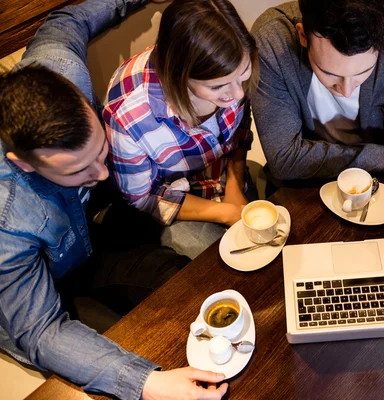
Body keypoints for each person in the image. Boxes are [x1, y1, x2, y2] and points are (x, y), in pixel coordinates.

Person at [0, 1, 228, 399]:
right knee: (127, 360)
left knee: (184, 286)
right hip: (35, 295)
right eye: (78, 171)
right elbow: (42, 331)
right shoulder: (6, 221)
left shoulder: (60, 68)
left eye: (100, 150)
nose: (102, 174)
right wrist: (147, 382)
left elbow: (69, 18)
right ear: (24, 163)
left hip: (93, 234)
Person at [251, 0, 384, 264]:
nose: (346, 90)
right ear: (302, 34)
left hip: (379, 189)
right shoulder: (273, 40)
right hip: (301, 189)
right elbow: (285, 158)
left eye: (362, 73)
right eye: (329, 74)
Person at [103, 0, 258, 259]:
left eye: (242, 76)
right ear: (178, 75)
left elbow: (240, 129)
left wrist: (234, 187)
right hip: (173, 202)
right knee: (219, 264)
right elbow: (142, 197)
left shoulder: (231, 72)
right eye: (218, 87)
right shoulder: (128, 114)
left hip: (224, 177)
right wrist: (226, 212)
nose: (238, 93)